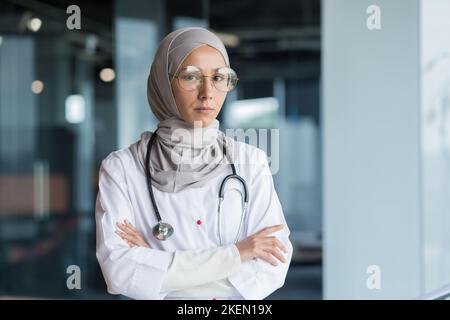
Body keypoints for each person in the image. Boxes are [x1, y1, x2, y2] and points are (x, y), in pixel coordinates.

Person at [95, 27, 293, 300]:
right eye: (190, 77)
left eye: (219, 77)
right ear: (164, 83)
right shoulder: (122, 168)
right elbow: (120, 273)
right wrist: (238, 254)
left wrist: (155, 264)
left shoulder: (250, 162)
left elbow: (272, 268)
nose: (207, 92)